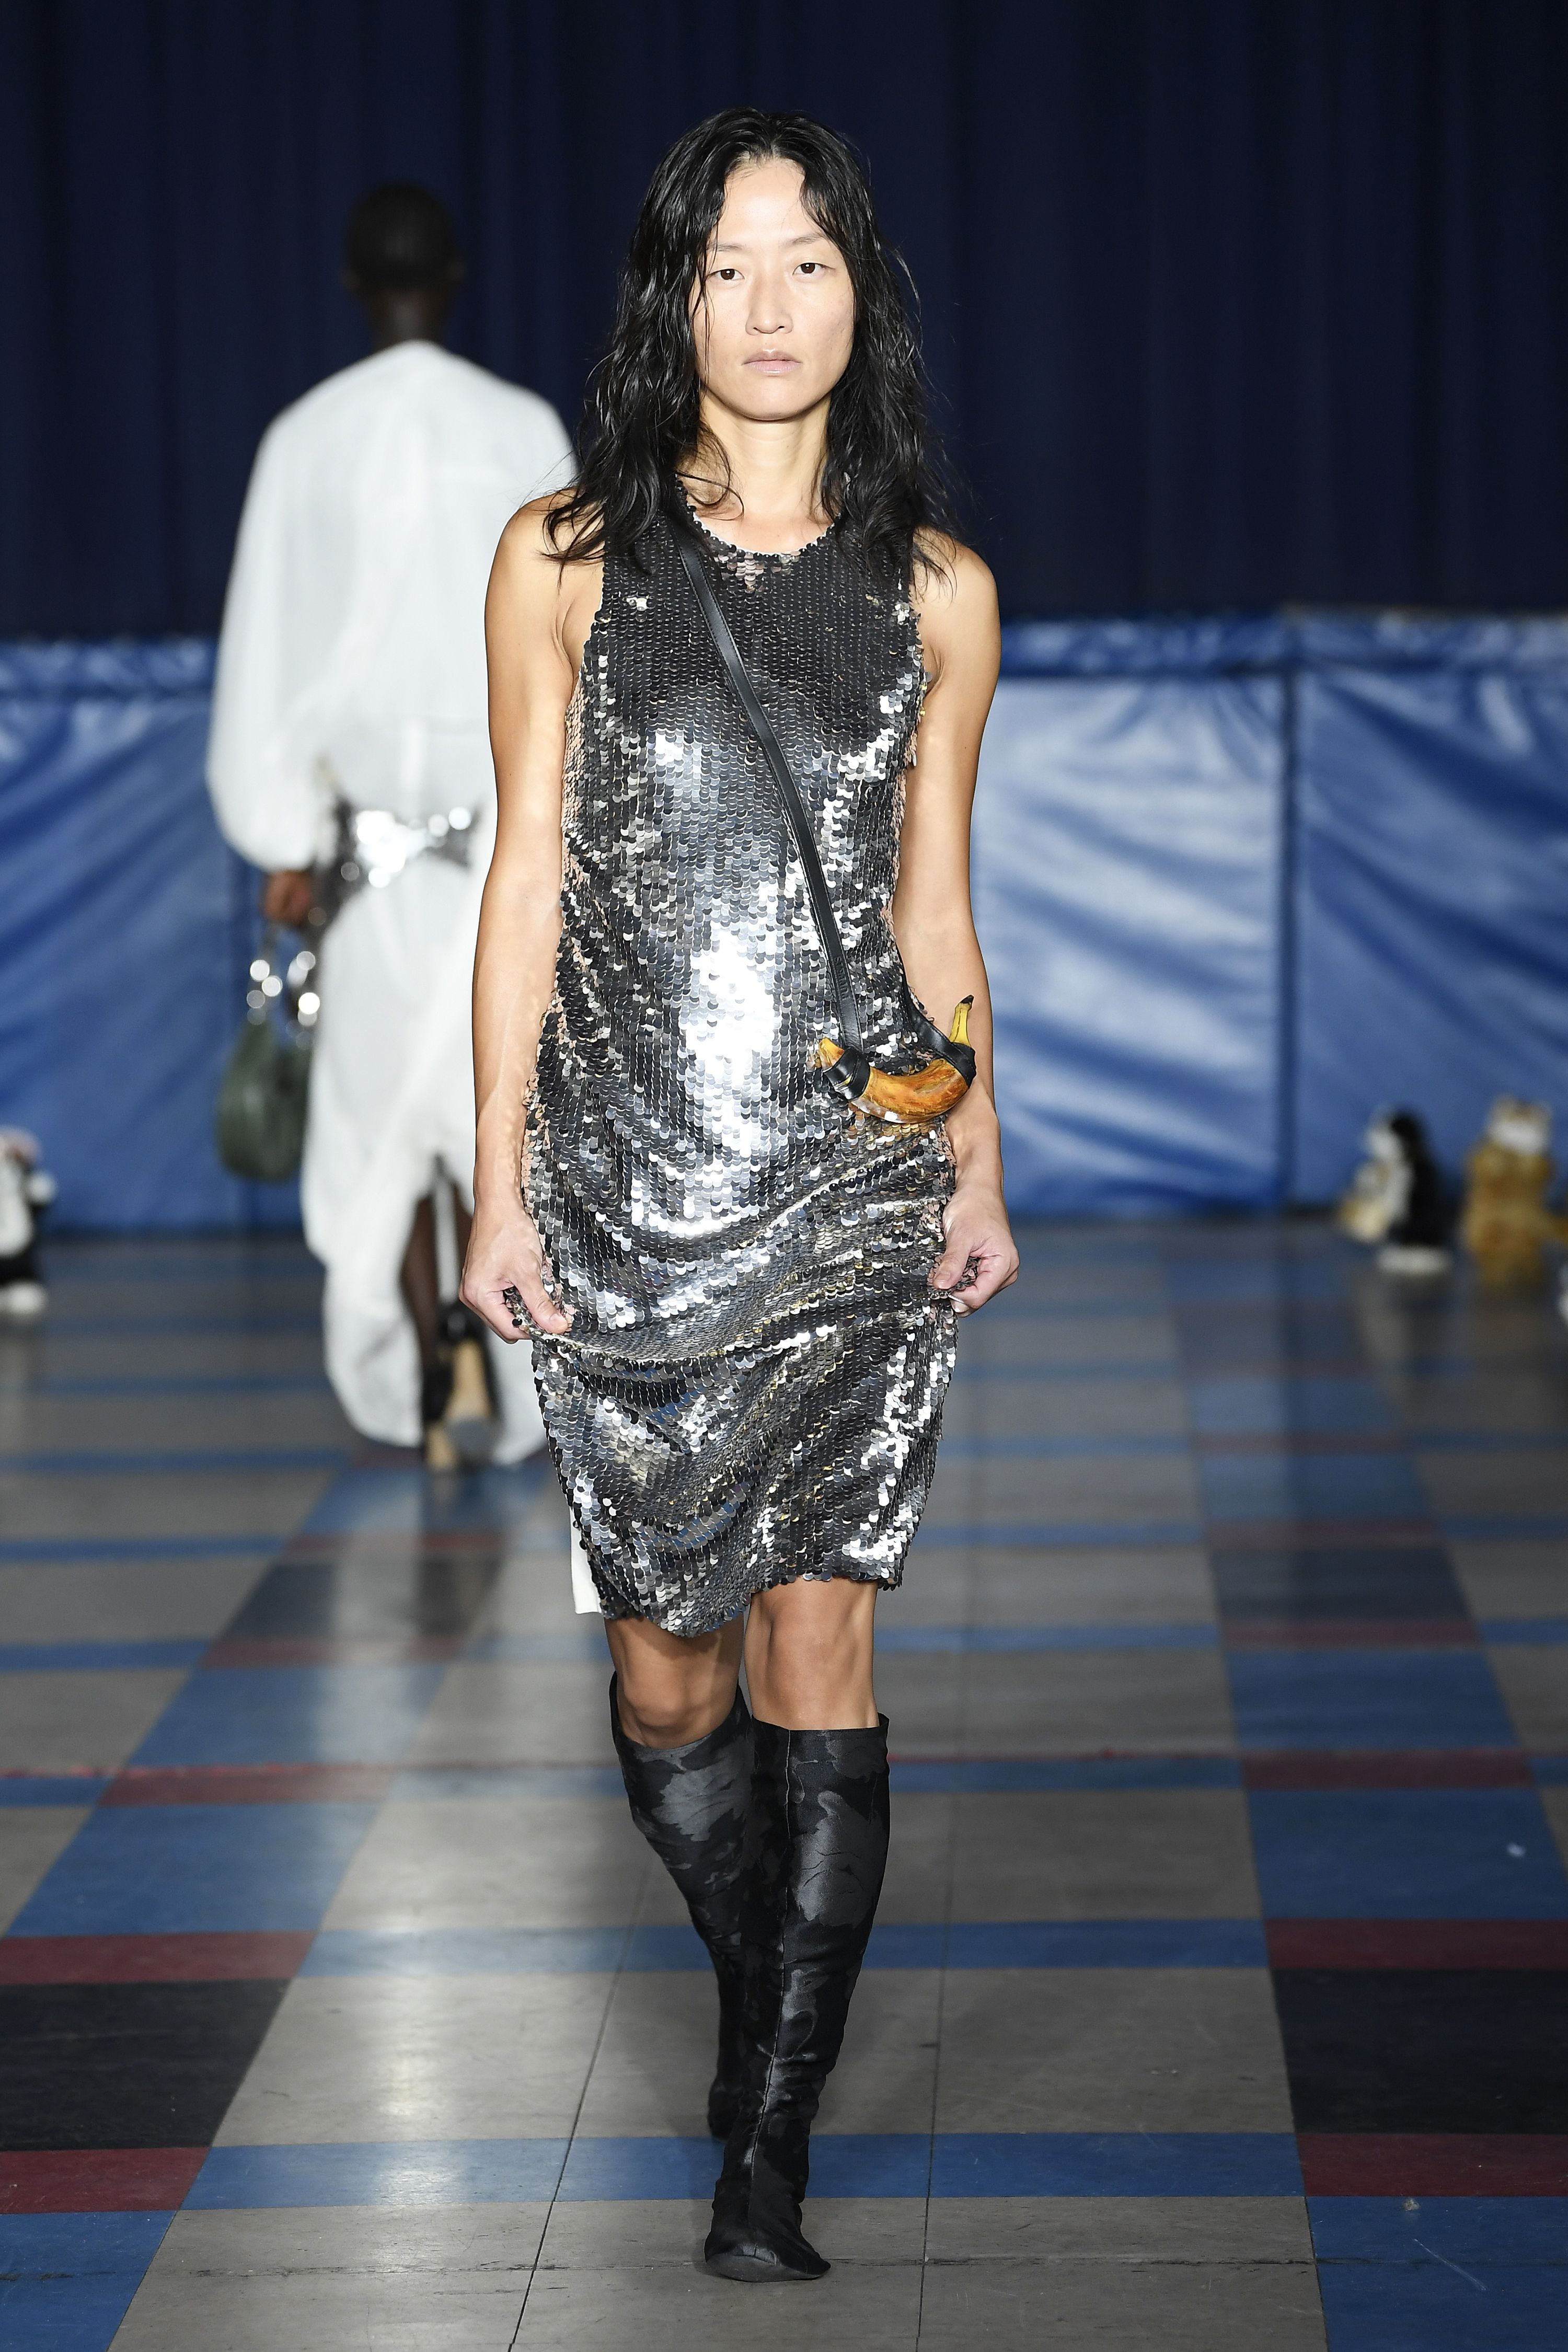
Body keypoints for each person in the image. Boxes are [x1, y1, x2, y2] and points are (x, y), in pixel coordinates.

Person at [463, 110, 1016, 2281]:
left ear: (858, 290)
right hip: (620, 1200)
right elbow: (522, 883)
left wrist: (977, 1157)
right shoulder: (565, 555)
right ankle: (753, 1984)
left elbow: (941, 915)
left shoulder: (943, 591)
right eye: (729, 268)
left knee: (822, 1656)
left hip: (855, 1193)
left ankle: (765, 2147)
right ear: (670, 295)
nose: (771, 309)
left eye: (808, 264)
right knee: (670, 1688)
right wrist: (492, 1191)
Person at [208, 183, 572, 1464]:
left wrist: (282, 838)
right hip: (507, 852)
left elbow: (266, 653)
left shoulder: (306, 440)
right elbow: (581, 645)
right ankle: (500, 1368)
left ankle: (426, 1354)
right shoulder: (521, 425)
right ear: (457, 278)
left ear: (357, 285)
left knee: (381, 1132)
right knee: (499, 1116)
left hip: (365, 863)